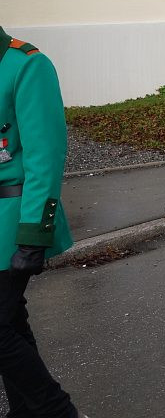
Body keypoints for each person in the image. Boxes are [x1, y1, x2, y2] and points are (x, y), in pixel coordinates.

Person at [0, 27, 80, 418]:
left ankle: (56, 410)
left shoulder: (26, 65)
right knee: (10, 323)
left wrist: (34, 234)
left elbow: (44, 157)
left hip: (12, 220)